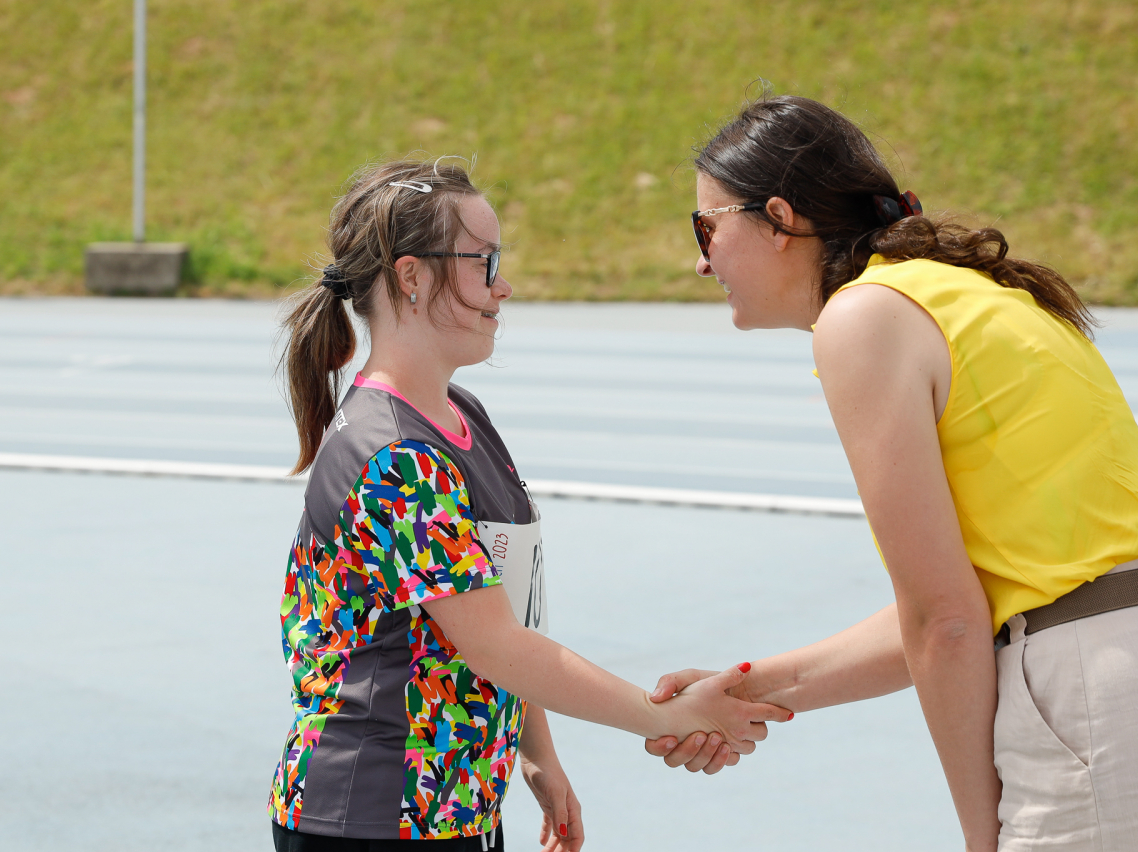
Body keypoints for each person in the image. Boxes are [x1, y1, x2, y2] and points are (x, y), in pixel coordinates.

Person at [643, 95, 1138, 850]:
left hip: (1093, 709)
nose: (701, 260)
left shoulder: (863, 317)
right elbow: (968, 603)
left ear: (778, 219)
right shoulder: (978, 294)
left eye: (706, 228)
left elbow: (945, 622)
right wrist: (744, 690)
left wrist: (983, 836)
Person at [270, 159, 789, 852]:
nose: (503, 286)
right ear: (411, 276)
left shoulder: (459, 414)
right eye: (484, 263)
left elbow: (502, 607)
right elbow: (494, 642)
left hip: (449, 805)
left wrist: (535, 752)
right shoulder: (394, 455)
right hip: (372, 812)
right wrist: (663, 715)